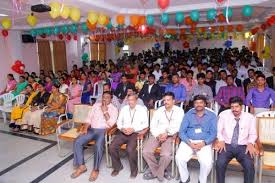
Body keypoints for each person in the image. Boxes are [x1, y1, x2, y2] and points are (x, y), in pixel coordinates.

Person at [71, 91, 118, 181]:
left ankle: (95, 170)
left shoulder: (114, 109)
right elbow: (89, 118)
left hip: (103, 131)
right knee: (77, 141)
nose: (104, 99)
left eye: (107, 97)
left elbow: (111, 123)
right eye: (103, 97)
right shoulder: (96, 105)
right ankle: (81, 166)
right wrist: (85, 128)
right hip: (92, 129)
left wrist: (105, 111)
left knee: (98, 146)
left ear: (111, 99)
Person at [143, 92, 184, 182]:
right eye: (164, 100)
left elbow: (179, 126)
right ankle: (160, 171)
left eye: (168, 100)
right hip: (157, 134)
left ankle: (157, 172)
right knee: (146, 151)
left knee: (166, 155)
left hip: (170, 135)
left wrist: (167, 133)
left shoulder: (179, 111)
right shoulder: (159, 110)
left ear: (173, 101)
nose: (166, 102)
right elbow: (153, 125)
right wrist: (158, 135)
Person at [215, 96, 257, 183]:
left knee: (249, 165)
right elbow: (218, 130)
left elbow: (253, 134)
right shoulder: (223, 115)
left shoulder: (250, 117)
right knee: (220, 163)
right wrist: (221, 140)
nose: (234, 109)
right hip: (226, 145)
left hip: (243, 147)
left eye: (237, 106)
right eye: (232, 107)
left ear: (241, 107)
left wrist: (250, 143)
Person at [176, 95, 217, 183]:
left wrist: (204, 143)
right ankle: (185, 178)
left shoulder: (212, 115)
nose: (198, 104)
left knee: (207, 162)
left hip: (204, 142)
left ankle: (202, 180)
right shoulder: (188, 114)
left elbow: (214, 133)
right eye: (196, 103)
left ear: (205, 104)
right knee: (179, 158)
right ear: (193, 104)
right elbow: (181, 131)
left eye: (201, 102)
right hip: (188, 141)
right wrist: (189, 142)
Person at [109, 93, 148, 178]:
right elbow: (119, 122)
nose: (130, 102)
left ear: (136, 100)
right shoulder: (124, 109)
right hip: (123, 132)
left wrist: (133, 129)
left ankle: (134, 170)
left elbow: (145, 124)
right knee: (112, 146)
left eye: (132, 100)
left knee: (130, 149)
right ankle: (117, 166)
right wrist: (122, 128)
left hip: (135, 133)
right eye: (128, 100)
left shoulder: (142, 109)